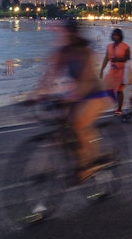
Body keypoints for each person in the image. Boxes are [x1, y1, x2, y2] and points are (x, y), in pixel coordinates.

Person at [32, 18, 112, 182]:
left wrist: (71, 97)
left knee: (78, 124)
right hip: (76, 94)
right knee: (64, 127)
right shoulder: (62, 52)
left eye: (67, 33)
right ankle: (78, 158)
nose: (64, 36)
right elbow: (49, 75)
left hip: (94, 94)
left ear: (74, 34)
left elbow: (87, 79)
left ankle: (88, 165)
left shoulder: (85, 52)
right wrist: (35, 95)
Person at [99, 28, 131, 115]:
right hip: (112, 71)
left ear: (120, 36)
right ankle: (116, 103)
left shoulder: (125, 46)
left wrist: (118, 59)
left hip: (122, 71)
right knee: (106, 87)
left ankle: (119, 109)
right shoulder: (109, 46)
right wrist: (102, 69)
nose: (115, 36)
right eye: (113, 35)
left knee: (119, 90)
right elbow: (106, 58)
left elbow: (128, 57)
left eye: (116, 35)